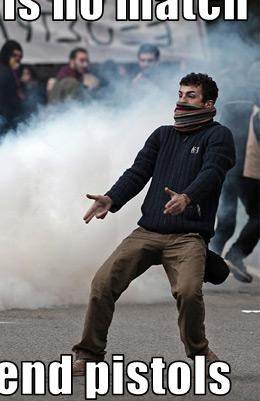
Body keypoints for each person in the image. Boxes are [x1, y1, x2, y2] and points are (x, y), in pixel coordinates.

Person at [71, 73, 236, 375]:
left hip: (188, 236)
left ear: (208, 103)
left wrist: (187, 197)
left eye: (191, 95)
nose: (182, 101)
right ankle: (89, 354)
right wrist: (111, 198)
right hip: (148, 231)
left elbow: (213, 172)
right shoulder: (162, 135)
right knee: (102, 284)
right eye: (180, 94)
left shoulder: (218, 136)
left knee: (188, 292)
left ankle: (199, 352)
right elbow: (137, 172)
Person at [211, 66, 260, 282]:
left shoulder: (231, 95)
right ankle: (235, 255)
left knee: (226, 220)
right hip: (244, 167)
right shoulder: (254, 100)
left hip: (224, 164)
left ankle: (205, 261)